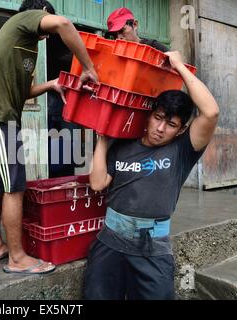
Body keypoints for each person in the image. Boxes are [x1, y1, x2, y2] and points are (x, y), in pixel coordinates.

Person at [0, 0, 98, 274]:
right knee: (14, 187)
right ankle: (17, 258)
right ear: (39, 14)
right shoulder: (25, 20)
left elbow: (26, 91)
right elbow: (64, 23)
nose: (49, 33)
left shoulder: (25, 44)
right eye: (46, 23)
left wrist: (51, 84)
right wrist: (88, 66)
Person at [84, 51, 220, 299]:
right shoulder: (124, 145)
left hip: (153, 249)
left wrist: (179, 66)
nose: (160, 128)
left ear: (181, 129)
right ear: (149, 115)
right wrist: (103, 142)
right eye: (158, 118)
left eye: (170, 124)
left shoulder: (182, 150)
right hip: (110, 242)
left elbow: (210, 112)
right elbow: (97, 183)